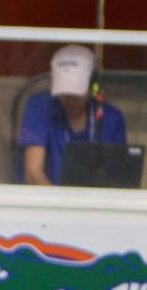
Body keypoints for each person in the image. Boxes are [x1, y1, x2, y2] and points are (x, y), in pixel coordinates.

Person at [20, 44, 127, 185]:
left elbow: (119, 178)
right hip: (48, 202)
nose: (70, 100)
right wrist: (61, 205)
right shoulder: (40, 107)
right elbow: (33, 174)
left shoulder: (112, 118)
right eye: (63, 93)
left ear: (92, 87)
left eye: (76, 94)